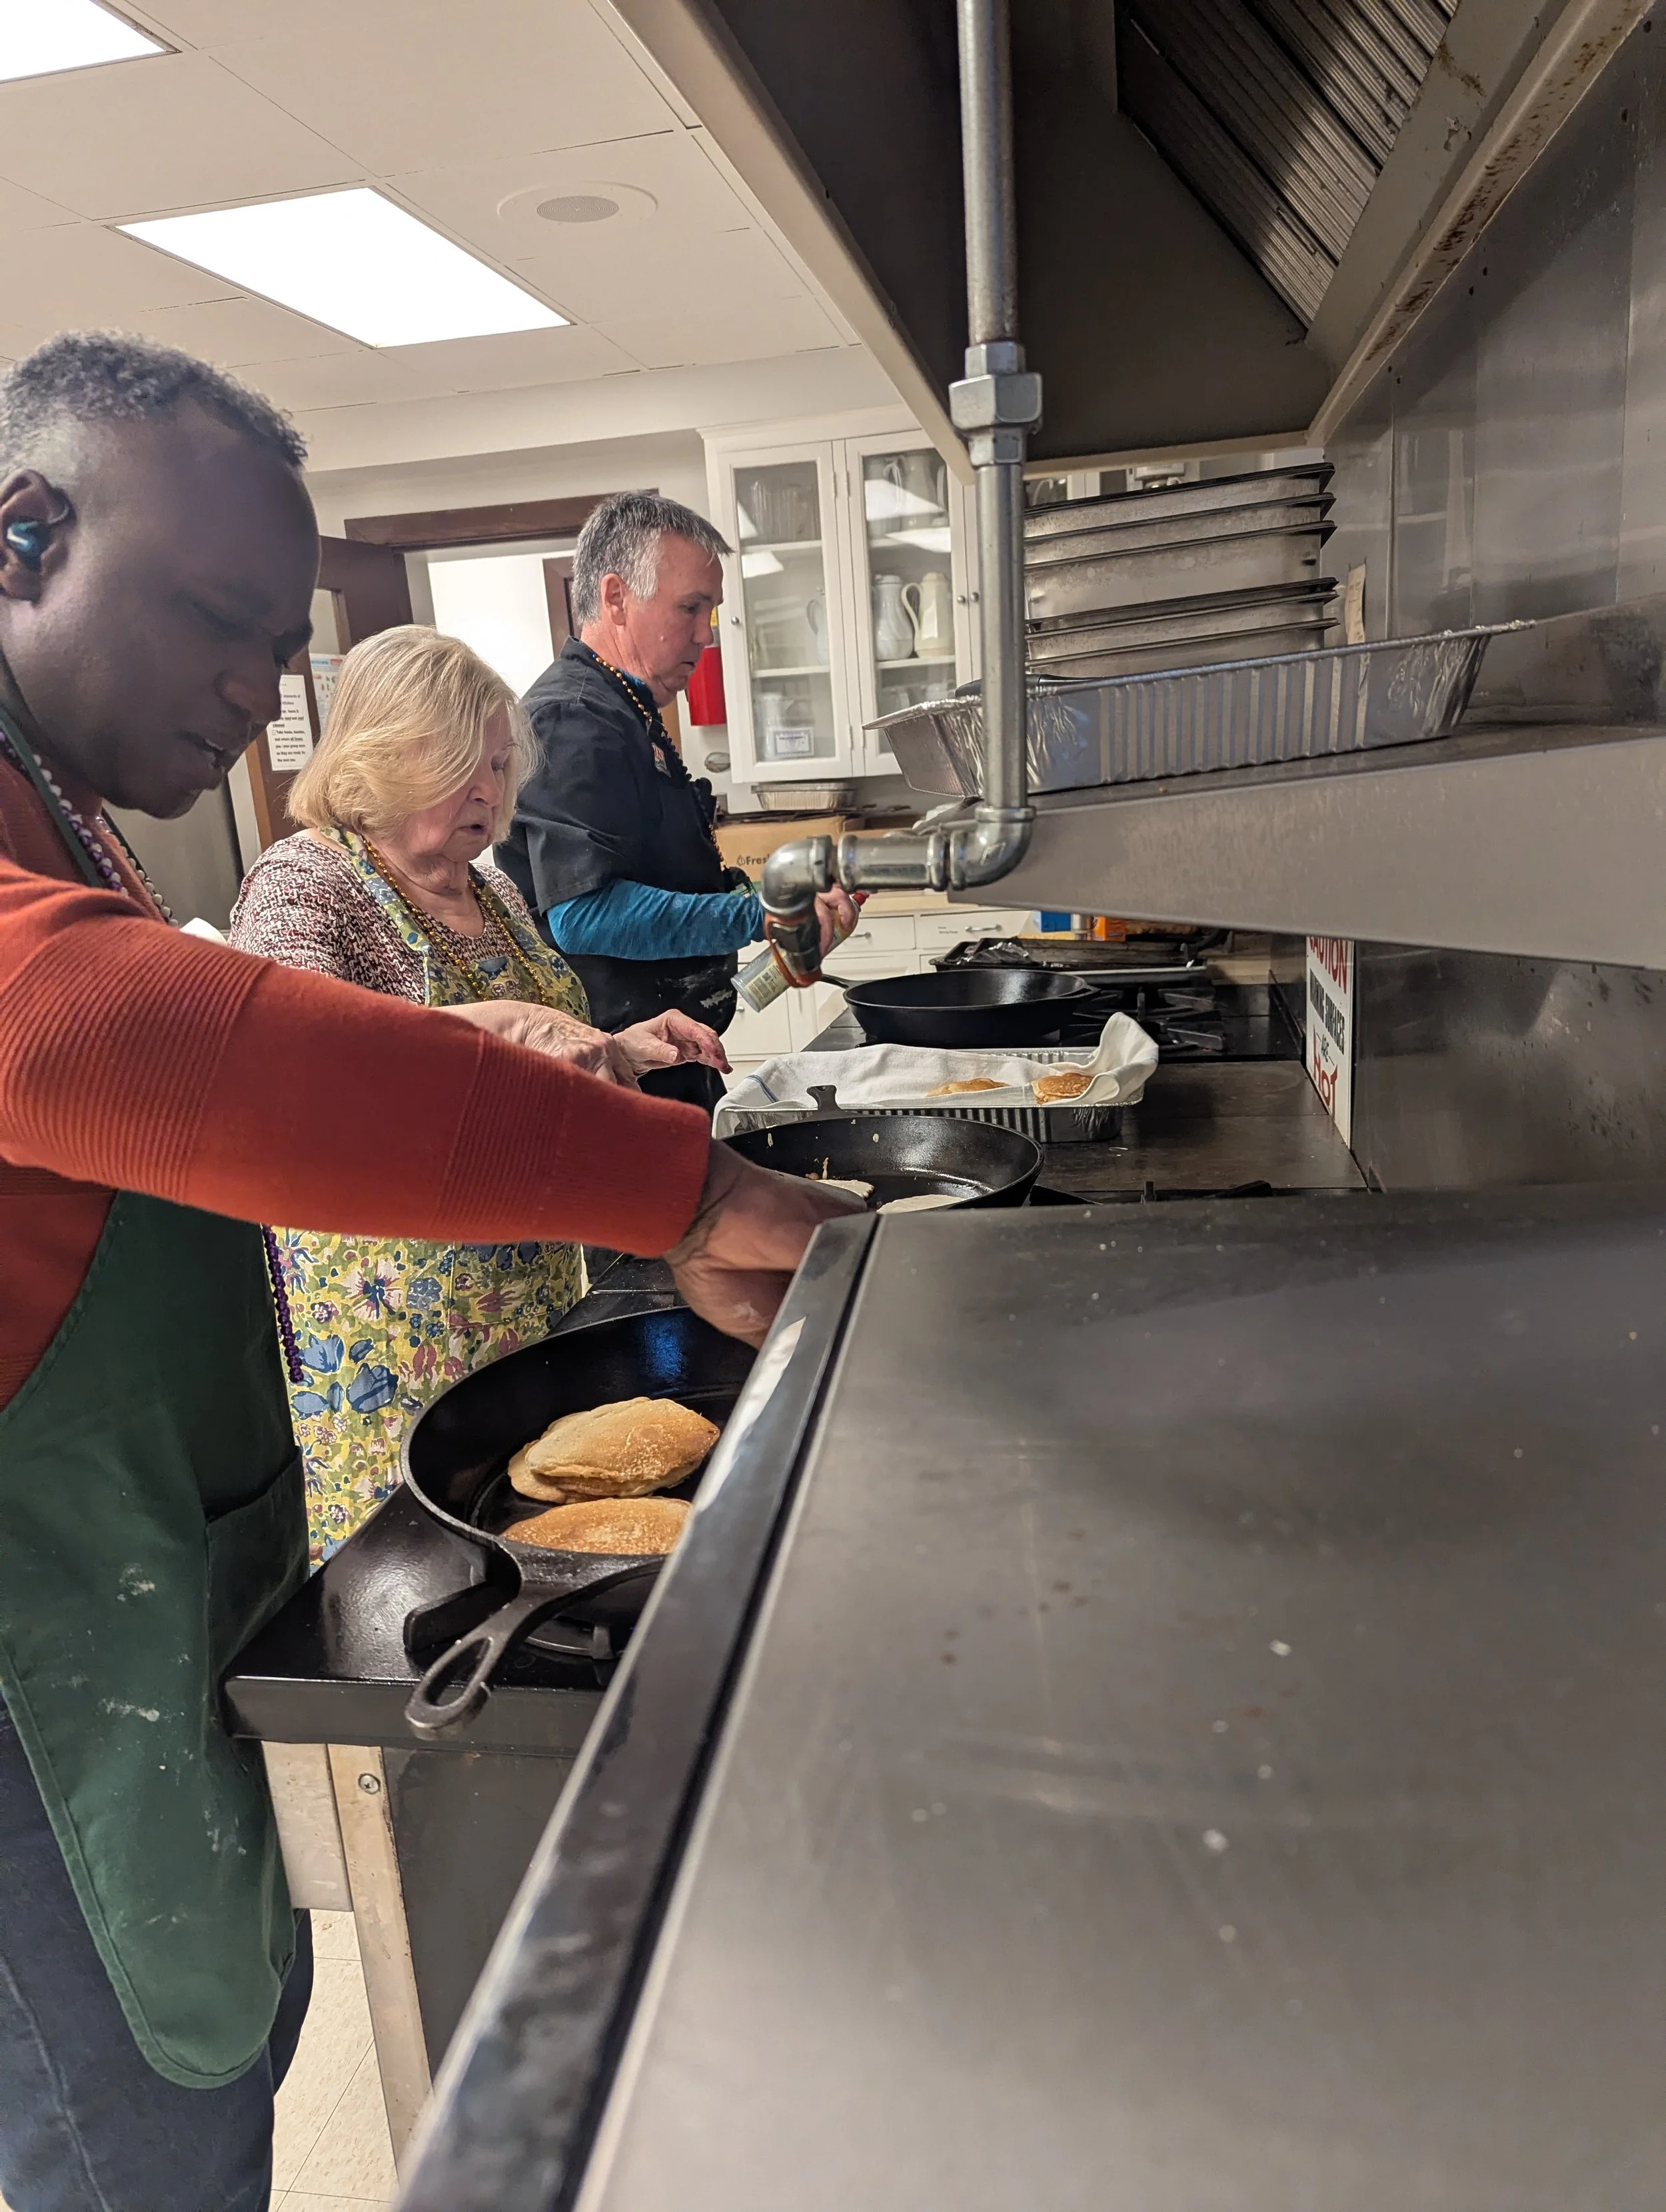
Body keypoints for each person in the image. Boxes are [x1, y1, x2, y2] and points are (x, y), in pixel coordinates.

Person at [0, 334, 859, 2212]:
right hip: (28, 1634)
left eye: (279, 642)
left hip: (132, 1580)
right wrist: (684, 1192)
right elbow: (139, 1040)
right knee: (113, 2131)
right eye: (220, 620)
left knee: (201, 2047)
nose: (255, 694)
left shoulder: (64, 808)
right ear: (24, 534)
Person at [229, 625, 732, 1562]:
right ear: (378, 754)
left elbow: (528, 1061)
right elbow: (289, 1069)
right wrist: (506, 1025)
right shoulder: (309, 880)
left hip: (527, 1293)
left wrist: (617, 1049)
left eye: (501, 767)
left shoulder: (489, 888)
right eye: (466, 764)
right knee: (418, 1568)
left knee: (530, 1522)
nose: (491, 793)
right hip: (395, 1326)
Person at [498, 490, 856, 1114]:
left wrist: (780, 914)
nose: (706, 633)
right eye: (690, 608)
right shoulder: (573, 719)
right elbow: (582, 915)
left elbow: (668, 883)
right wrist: (761, 914)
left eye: (711, 610)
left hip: (673, 1055)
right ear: (615, 597)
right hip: (616, 1076)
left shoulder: (632, 711)